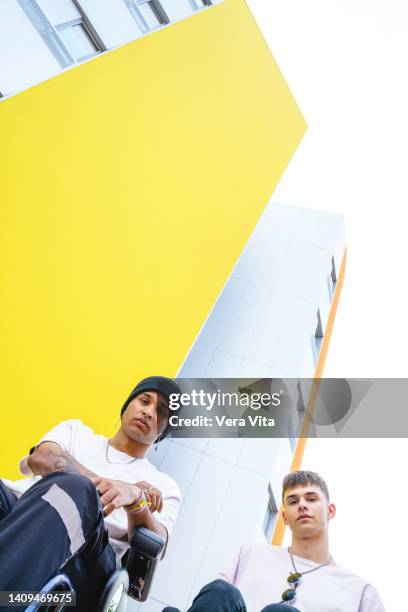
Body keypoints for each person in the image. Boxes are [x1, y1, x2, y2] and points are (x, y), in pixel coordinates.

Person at [0, 376, 182, 611]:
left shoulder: (162, 486)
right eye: (143, 401)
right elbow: (42, 457)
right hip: (18, 507)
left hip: (90, 559)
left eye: (161, 412)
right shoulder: (77, 432)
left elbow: (158, 542)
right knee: (74, 486)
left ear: (163, 432)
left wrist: (136, 500)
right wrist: (116, 485)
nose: (148, 412)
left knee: (77, 490)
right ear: (127, 406)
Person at [166, 470, 386, 612]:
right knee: (221, 592)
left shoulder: (360, 592)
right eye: (293, 501)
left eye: (311, 498)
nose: (302, 505)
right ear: (284, 517)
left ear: (330, 511)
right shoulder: (250, 554)